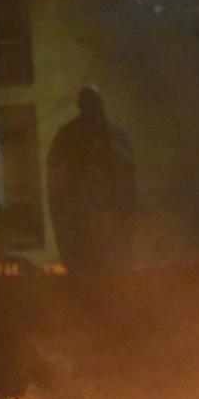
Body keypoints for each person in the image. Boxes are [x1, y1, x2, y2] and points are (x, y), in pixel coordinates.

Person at [45, 86, 136, 275]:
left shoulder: (113, 135)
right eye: (87, 104)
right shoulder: (68, 136)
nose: (91, 109)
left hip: (109, 214)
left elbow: (126, 175)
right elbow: (58, 179)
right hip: (79, 215)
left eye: (94, 104)